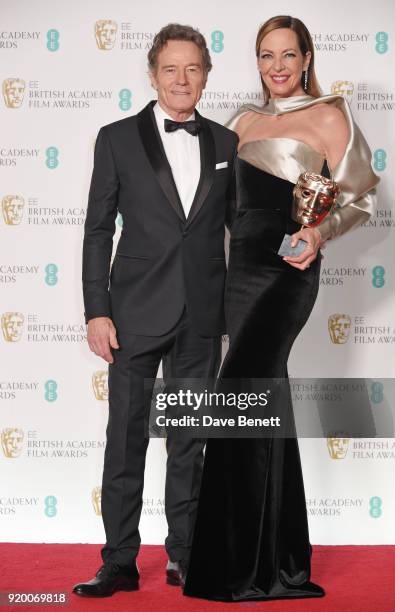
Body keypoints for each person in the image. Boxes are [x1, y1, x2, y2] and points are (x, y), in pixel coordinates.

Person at [183, 15, 379, 602]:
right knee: (262, 399)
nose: (276, 67)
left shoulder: (330, 113)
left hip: (288, 269)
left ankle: (237, 565)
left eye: (288, 55)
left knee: (240, 393)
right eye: (266, 55)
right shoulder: (239, 122)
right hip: (239, 271)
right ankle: (279, 560)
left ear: (307, 56)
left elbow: (363, 197)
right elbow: (218, 205)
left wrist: (318, 236)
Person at [73, 23, 238, 597]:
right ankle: (118, 561)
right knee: (126, 439)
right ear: (152, 74)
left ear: (206, 76)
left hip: (200, 315)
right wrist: (97, 310)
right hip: (134, 313)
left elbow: (239, 232)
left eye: (193, 68)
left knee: (189, 440)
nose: (181, 79)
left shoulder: (225, 143)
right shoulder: (116, 138)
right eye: (171, 68)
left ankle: (186, 554)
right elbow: (97, 231)